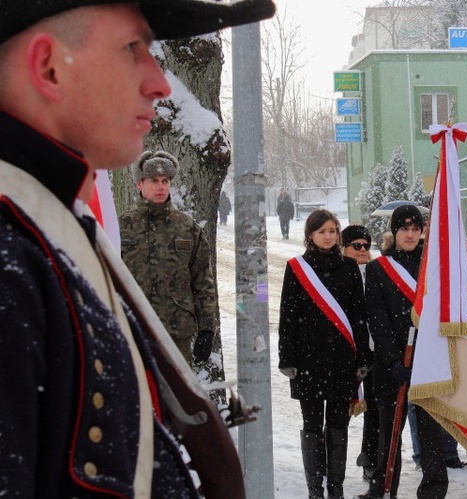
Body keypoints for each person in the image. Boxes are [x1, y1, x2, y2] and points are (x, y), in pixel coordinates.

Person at [0, 1, 274, 496]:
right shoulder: (12, 255)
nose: (160, 83)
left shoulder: (52, 223)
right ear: (48, 67)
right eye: (133, 49)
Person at [357, 204, 449, 499]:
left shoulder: (433, 265)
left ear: (422, 232)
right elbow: (377, 317)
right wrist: (394, 359)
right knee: (388, 429)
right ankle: (383, 486)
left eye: (415, 229)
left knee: (430, 430)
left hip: (428, 358)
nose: (409, 235)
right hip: (391, 362)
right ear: (394, 232)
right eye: (403, 229)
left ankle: (434, 488)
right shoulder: (378, 269)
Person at [278, 209, 370, 499]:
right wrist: (287, 358)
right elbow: (288, 317)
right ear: (310, 235)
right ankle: (315, 490)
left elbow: (358, 316)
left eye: (333, 231)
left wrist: (363, 357)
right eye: (322, 232)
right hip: (308, 361)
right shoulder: (297, 268)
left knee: (338, 424)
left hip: (342, 359)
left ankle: (337, 489)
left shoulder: (349, 267)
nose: (328, 236)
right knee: (312, 425)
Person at [120, 150, 218, 366]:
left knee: (177, 396)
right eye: (153, 180)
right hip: (133, 329)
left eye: (165, 181)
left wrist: (207, 329)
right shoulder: (122, 228)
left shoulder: (187, 228)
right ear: (140, 184)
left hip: (177, 332)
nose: (160, 186)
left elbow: (203, 282)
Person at [341, 224, 379, 481]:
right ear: (343, 248)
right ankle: (330, 463)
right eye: (356, 246)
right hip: (343, 351)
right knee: (339, 410)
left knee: (374, 408)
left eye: (366, 245)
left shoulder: (378, 273)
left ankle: (370, 456)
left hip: (374, 352)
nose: (363, 250)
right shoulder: (336, 274)